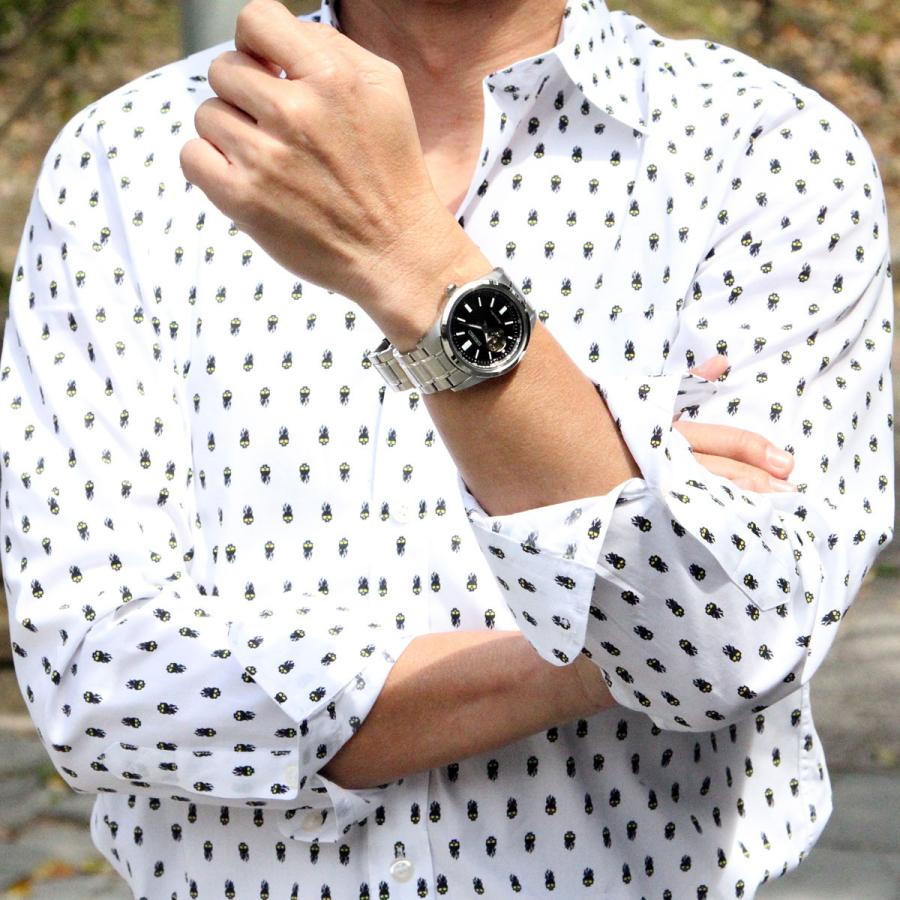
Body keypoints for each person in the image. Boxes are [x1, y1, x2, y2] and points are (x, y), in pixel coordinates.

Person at [0, 0, 892, 895]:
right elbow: (96, 687)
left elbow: (732, 646)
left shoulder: (766, 148)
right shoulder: (129, 157)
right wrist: (603, 637)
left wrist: (407, 255)